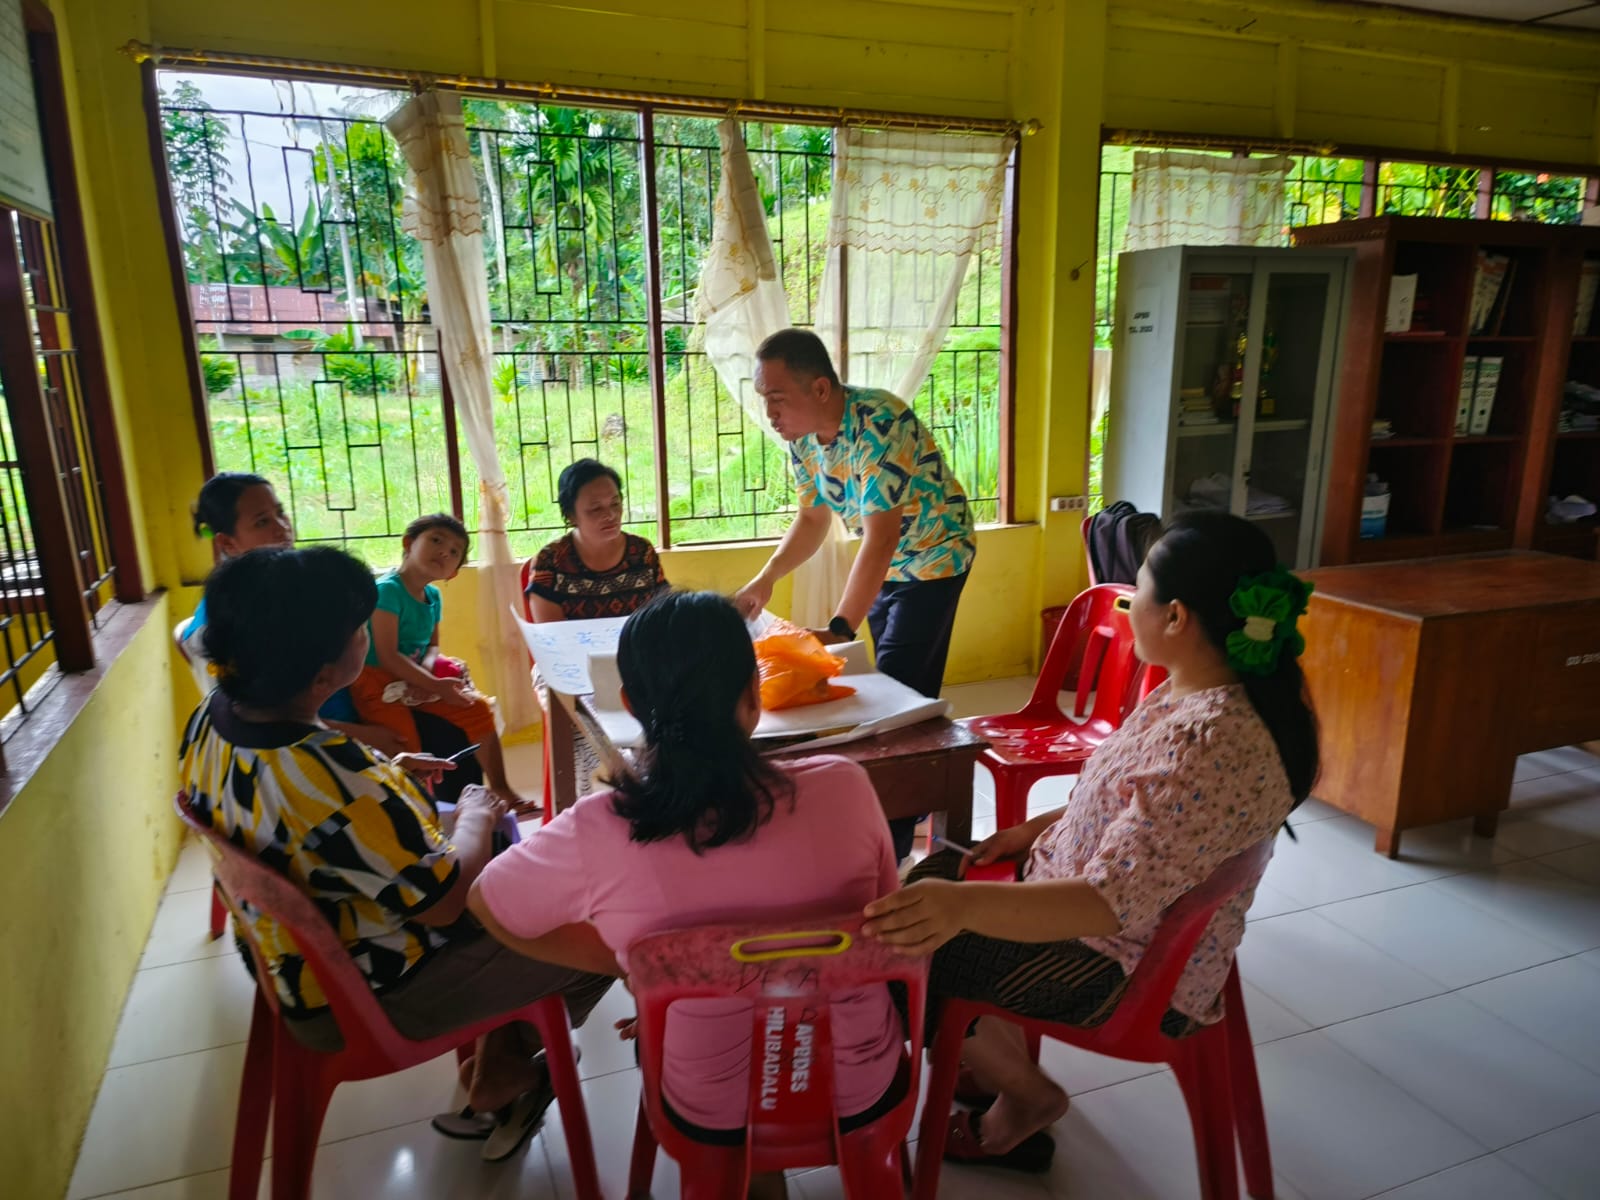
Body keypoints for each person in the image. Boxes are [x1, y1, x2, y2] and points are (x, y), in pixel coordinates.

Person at [860, 511, 1316, 1172]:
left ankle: (1027, 1096)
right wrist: (1033, 831)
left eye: (1138, 595)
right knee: (929, 879)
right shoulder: (1196, 694)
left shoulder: (1209, 740)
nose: (1130, 607)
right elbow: (1130, 807)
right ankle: (986, 1051)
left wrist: (961, 911)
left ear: (1179, 618)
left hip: (1124, 962)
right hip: (1101, 911)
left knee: (906, 955)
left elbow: (1109, 904)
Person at [181, 547, 616, 1160]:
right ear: (323, 674)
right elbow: (444, 903)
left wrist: (385, 770)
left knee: (518, 871)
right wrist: (474, 813)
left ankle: (504, 1058)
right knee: (603, 924)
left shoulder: (215, 715)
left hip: (301, 967)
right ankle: (510, 1062)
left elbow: (314, 791)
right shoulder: (341, 783)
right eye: (360, 627)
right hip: (379, 990)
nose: (366, 634)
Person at [469, 590, 904, 1196]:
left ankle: (757, 1179)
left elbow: (489, 905)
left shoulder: (601, 828)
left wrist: (644, 967)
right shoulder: (846, 787)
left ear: (628, 705)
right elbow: (882, 926)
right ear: (755, 694)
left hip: (710, 1107)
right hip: (860, 1083)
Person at [732, 329, 976, 861]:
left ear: (820, 388)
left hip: (936, 558)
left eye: (776, 398)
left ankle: (891, 845)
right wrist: (767, 577)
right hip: (887, 563)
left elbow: (882, 535)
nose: (769, 412)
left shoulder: (878, 422)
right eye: (763, 400)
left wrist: (840, 627)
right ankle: (889, 828)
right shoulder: (802, 440)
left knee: (898, 703)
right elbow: (815, 517)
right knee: (890, 691)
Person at [183, 473, 484, 805]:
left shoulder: (283, 590)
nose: (282, 527)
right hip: (328, 734)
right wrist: (362, 738)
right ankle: (449, 818)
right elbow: (262, 715)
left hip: (342, 717)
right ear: (227, 543)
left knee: (457, 740)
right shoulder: (238, 621)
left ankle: (452, 814)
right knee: (441, 754)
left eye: (281, 513)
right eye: (263, 521)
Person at [347, 513, 531, 812]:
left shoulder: (433, 596)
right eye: (436, 540)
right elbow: (387, 654)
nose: (445, 551)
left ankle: (500, 788)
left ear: (453, 572)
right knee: (406, 744)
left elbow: (432, 647)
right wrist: (431, 684)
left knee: (477, 709)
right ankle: (419, 813)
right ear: (408, 543)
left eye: (455, 551)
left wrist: (427, 676)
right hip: (377, 682)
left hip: (415, 677)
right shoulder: (387, 591)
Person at [524, 458, 668, 622]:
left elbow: (662, 617)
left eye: (615, 503)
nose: (610, 515)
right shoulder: (550, 562)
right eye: (596, 508)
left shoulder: (642, 552)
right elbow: (553, 637)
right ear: (571, 515)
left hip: (636, 647)